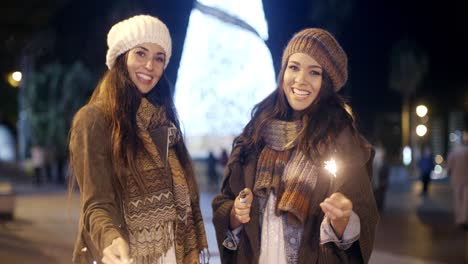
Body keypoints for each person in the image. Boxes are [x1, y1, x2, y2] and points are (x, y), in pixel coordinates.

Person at [212, 28, 378, 263]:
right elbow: (225, 201)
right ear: (283, 71)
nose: (300, 80)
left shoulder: (341, 140)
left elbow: (364, 216)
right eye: (294, 67)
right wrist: (234, 215)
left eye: (314, 72)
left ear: (326, 83)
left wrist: (343, 220)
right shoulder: (255, 132)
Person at [68, 15, 208, 264]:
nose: (150, 66)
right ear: (122, 57)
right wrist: (112, 239)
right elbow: (96, 204)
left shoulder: (163, 124)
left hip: (169, 254)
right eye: (141, 54)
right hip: (122, 255)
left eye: (159, 58)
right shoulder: (94, 120)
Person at [447, 129, 468, 229]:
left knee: (458, 199)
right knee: (465, 200)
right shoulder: (466, 151)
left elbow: (449, 167)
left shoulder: (454, 152)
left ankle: (459, 219)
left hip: (456, 179)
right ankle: (464, 218)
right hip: (466, 179)